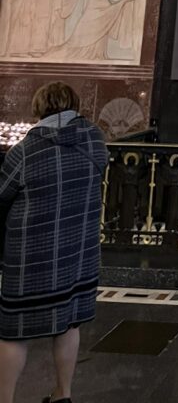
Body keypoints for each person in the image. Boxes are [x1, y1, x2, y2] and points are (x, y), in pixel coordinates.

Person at [0, 82, 108, 403]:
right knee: (68, 324)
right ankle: (63, 394)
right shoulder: (95, 140)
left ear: (39, 107)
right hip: (77, 253)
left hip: (30, 259)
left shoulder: (25, 151)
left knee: (13, 333)